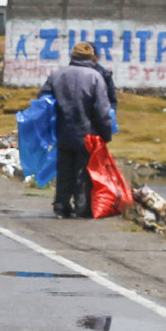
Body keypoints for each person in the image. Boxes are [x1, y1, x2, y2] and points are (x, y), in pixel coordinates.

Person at [39, 41, 115, 219]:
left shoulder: (58, 75)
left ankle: (61, 206)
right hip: (87, 133)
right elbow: (102, 110)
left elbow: (43, 101)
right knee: (84, 172)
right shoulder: (95, 77)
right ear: (90, 57)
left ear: (73, 57)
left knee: (64, 170)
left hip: (63, 132)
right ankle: (82, 207)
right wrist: (106, 133)